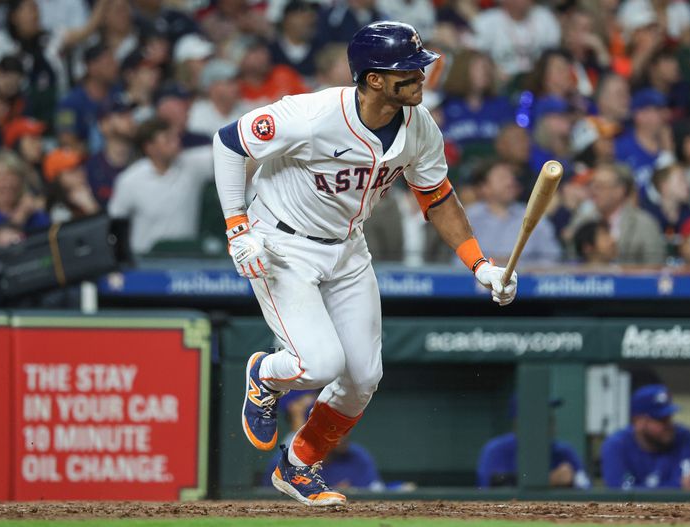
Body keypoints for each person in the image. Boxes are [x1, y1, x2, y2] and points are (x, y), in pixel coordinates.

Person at [212, 21, 518, 506]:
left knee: (361, 380)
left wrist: (480, 265)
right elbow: (229, 143)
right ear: (373, 78)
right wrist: (236, 227)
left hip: (348, 247)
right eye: (408, 70)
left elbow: (436, 195)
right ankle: (264, 376)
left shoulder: (419, 126)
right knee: (319, 363)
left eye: (421, 67)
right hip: (282, 243)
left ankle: (297, 466)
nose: (421, 76)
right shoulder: (312, 114)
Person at [108, 117, 213, 254]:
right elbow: (116, 222)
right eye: (168, 140)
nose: (176, 143)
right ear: (150, 147)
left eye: (175, 137)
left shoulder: (192, 164)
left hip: (187, 257)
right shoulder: (129, 180)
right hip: (147, 261)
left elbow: (232, 154)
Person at [601, 384, 690, 490]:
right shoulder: (616, 445)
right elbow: (618, 494)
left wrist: (639, 490)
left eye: (669, 418)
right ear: (638, 422)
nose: (669, 425)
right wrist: (673, 487)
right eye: (661, 420)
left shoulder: (685, 438)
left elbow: (686, 489)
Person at [477, 398, 591, 489]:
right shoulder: (497, 450)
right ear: (518, 424)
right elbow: (491, 488)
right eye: (542, 420)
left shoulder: (563, 451)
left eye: (551, 420)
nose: (551, 427)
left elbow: (585, 487)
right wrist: (548, 480)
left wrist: (573, 482)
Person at [466, 159, 561, 267]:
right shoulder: (469, 218)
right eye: (502, 178)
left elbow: (553, 258)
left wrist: (521, 267)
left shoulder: (534, 215)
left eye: (511, 177)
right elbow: (457, 262)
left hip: (525, 281)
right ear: (484, 188)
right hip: (477, 281)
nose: (510, 182)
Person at [571, 162, 666, 265]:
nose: (593, 191)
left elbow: (655, 267)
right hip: (592, 280)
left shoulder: (644, 224)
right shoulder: (583, 220)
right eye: (591, 185)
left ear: (619, 191)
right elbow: (570, 259)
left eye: (600, 186)